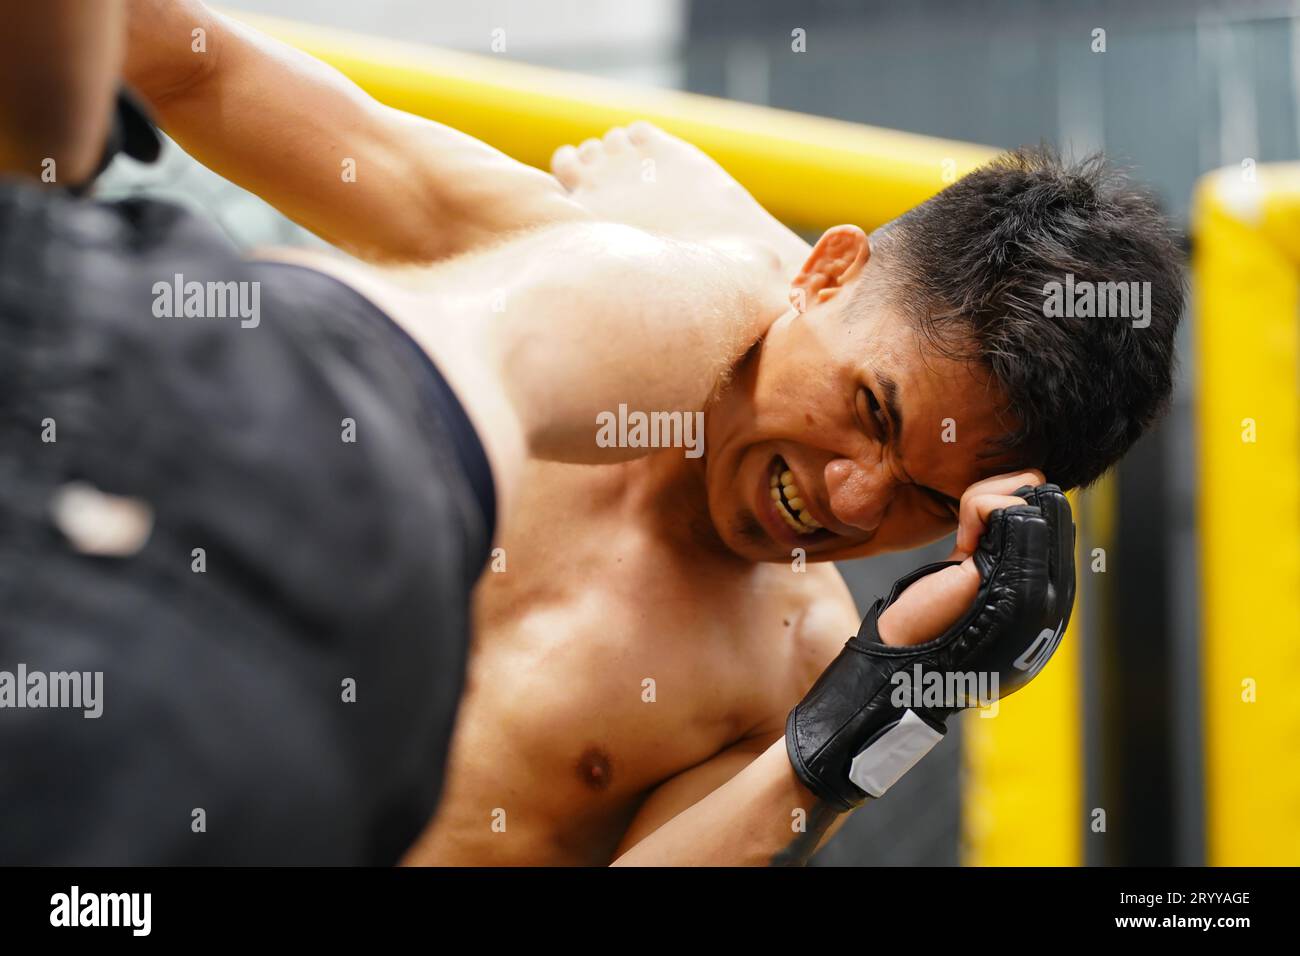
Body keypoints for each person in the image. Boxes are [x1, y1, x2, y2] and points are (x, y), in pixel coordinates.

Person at [0, 1, 787, 865]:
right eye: (874, 412)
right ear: (829, 274)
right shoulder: (578, 268)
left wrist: (880, 713)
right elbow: (199, 65)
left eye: (924, 501)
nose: (860, 497)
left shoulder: (803, 663)